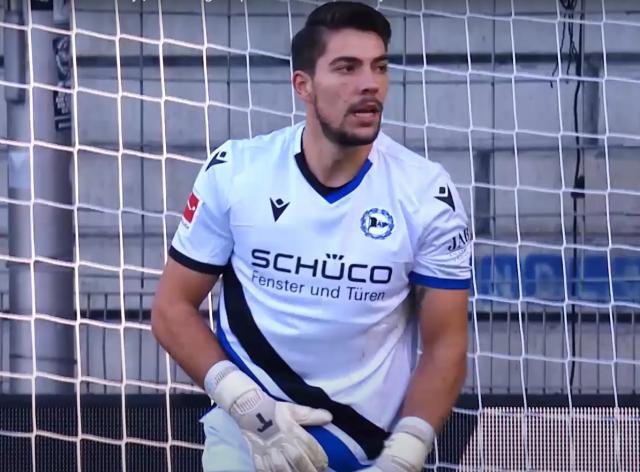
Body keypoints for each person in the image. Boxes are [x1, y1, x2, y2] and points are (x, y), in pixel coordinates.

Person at [151, 2, 471, 471]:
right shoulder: (236, 172)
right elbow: (171, 308)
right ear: (303, 85)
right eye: (346, 68)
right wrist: (244, 404)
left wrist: (406, 452)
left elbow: (446, 343)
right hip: (248, 436)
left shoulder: (427, 193)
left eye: (379, 67)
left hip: (371, 449)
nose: (369, 84)